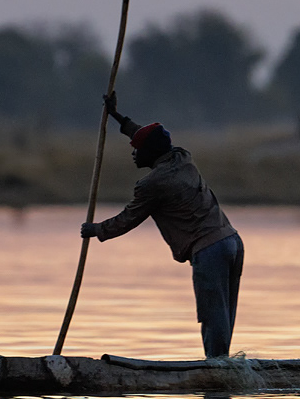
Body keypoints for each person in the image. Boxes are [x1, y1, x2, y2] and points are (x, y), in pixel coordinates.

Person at [80, 92, 243, 359]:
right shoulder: (182, 156)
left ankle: (217, 370)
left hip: (210, 249)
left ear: (150, 153)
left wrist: (96, 230)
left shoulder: (153, 184)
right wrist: (117, 116)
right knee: (224, 313)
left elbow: (128, 218)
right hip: (232, 242)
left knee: (214, 316)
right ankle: (222, 366)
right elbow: (150, 137)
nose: (133, 153)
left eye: (137, 149)